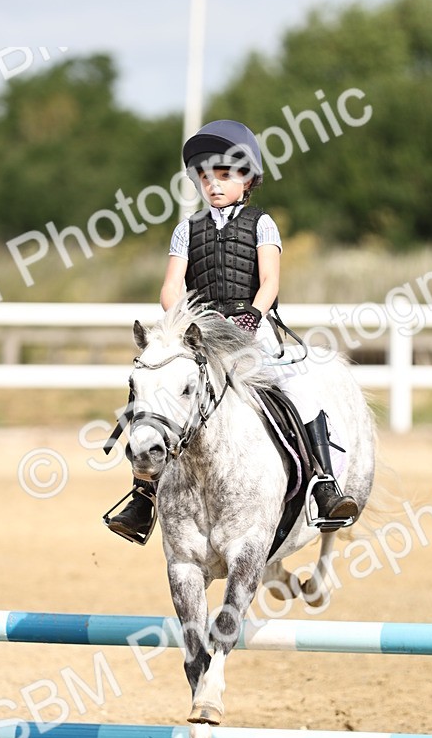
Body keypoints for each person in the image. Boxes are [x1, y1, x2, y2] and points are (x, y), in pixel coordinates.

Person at [104, 119, 359, 545]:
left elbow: (270, 282)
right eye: (206, 177)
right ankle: (143, 497)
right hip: (202, 333)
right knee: (157, 397)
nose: (213, 184)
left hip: (251, 328)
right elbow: (170, 287)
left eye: (224, 175)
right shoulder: (187, 229)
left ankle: (323, 485)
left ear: (248, 179)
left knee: (298, 389)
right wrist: (179, 317)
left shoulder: (262, 223)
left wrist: (253, 317)